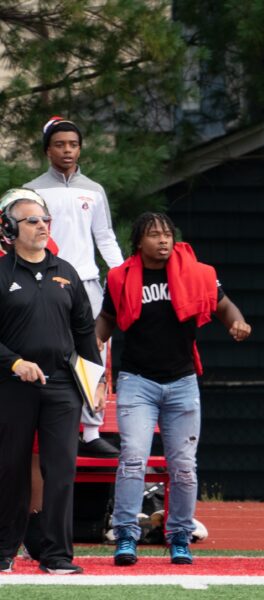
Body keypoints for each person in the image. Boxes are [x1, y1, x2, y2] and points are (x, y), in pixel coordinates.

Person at [95, 212, 250, 566]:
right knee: (133, 459)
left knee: (183, 465)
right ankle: (125, 535)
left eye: (167, 234)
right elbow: (105, 320)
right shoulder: (120, 278)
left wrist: (237, 323)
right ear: (138, 242)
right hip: (137, 381)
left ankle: (179, 535)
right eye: (154, 235)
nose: (163, 240)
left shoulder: (197, 272)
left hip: (181, 382)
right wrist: (88, 355)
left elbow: (225, 306)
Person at [0, 188, 103, 575]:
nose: (42, 226)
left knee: (61, 469)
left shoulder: (67, 272)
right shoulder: (0, 273)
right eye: (32, 221)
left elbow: (84, 331)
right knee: (10, 467)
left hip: (62, 385)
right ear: (10, 228)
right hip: (12, 386)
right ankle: (4, 549)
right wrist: (14, 363)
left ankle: (56, 555)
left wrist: (96, 379)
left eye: (45, 220)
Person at [25, 116, 124, 458]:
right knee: (49, 347)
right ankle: (50, 427)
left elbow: (105, 238)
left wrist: (123, 275)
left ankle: (92, 431)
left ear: (80, 148)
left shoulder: (94, 190)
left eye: (73, 144)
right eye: (59, 145)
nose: (67, 151)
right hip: (48, 282)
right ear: (47, 150)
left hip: (88, 282)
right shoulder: (33, 191)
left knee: (95, 350)